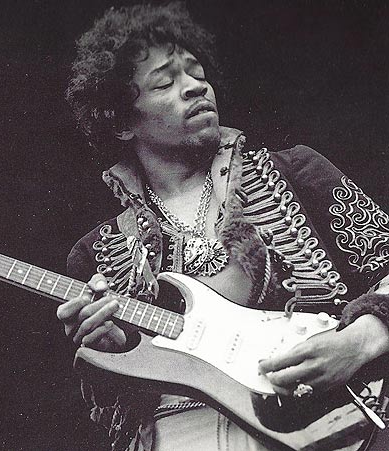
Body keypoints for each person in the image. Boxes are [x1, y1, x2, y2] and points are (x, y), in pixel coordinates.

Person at [56, 2, 389, 450]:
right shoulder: (97, 251)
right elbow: (110, 413)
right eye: (165, 82)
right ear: (119, 123)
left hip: (330, 427)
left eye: (196, 72)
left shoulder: (295, 173)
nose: (195, 87)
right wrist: (110, 349)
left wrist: (360, 342)